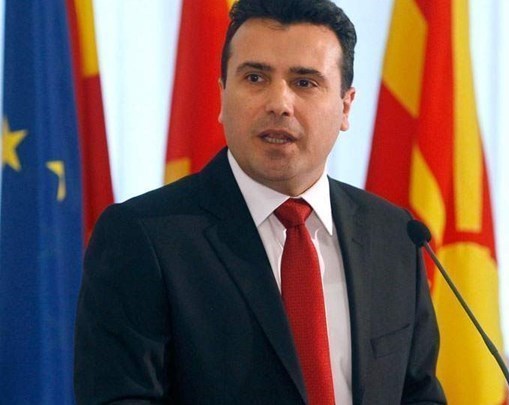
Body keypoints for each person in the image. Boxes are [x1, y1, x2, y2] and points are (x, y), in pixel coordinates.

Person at [74, 0, 446, 403]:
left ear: (345, 106)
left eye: (305, 82)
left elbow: (418, 394)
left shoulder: (394, 236)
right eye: (255, 78)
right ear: (222, 95)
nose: (279, 103)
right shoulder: (144, 237)